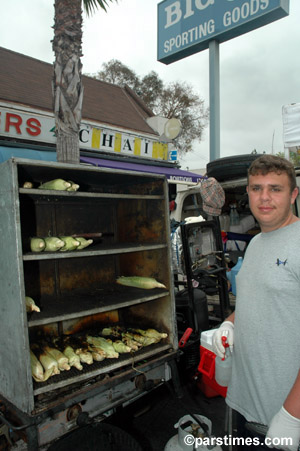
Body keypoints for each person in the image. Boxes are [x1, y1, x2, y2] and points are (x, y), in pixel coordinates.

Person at [212, 154, 300, 450]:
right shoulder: (257, 243)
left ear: (293, 195)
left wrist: (292, 415)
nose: (264, 197)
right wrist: (229, 323)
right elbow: (256, 301)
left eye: (275, 188)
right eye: (256, 188)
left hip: (283, 416)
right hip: (247, 404)